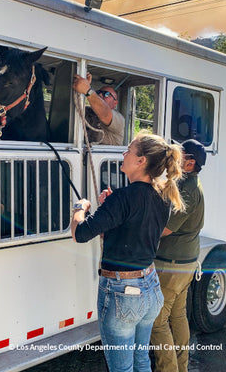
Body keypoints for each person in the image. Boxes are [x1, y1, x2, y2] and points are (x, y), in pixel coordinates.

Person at [71, 132, 185, 372]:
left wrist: (80, 208)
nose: (124, 154)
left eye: (129, 150)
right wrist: (109, 209)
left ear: (141, 161)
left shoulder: (122, 199)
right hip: (150, 288)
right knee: (141, 360)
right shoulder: (162, 197)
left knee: (122, 368)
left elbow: (80, 233)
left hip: (122, 292)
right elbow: (132, 229)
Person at [151, 139, 206, 372]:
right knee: (177, 316)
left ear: (190, 163)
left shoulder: (187, 190)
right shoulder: (187, 184)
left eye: (180, 155)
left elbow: (166, 228)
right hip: (185, 263)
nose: (174, 157)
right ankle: (181, 367)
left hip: (171, 265)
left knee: (156, 321)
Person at [73, 73, 125, 145]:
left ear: (115, 103)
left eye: (106, 94)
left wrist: (88, 91)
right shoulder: (88, 110)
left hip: (106, 156)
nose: (100, 95)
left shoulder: (119, 119)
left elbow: (105, 113)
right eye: (98, 92)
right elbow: (73, 108)